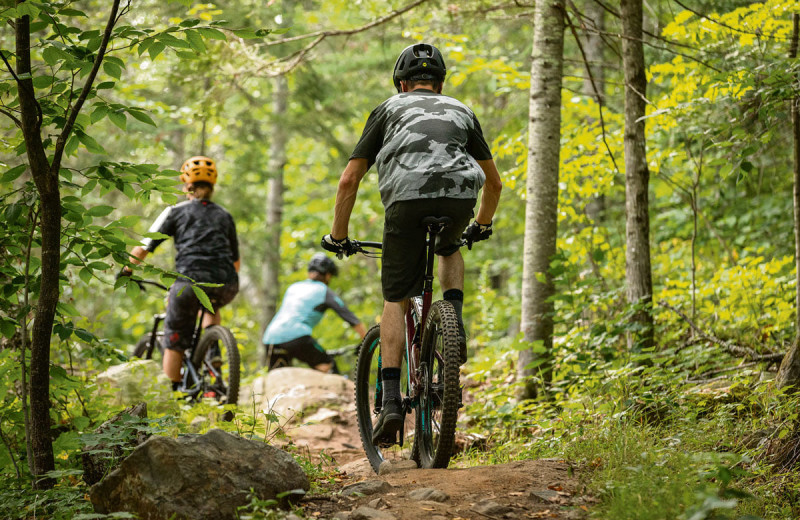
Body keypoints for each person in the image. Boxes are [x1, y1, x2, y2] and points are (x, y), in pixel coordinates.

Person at [321, 43, 502, 445]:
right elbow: (494, 182)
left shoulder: (388, 108)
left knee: (396, 298)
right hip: (458, 198)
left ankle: (388, 403)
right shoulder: (462, 111)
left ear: (402, 84)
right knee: (450, 246)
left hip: (405, 200)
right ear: (439, 84)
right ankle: (453, 321)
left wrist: (338, 236)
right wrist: (481, 225)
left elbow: (350, 179)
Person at [119, 156, 240, 390]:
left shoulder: (174, 211)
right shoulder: (225, 215)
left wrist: (126, 269)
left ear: (187, 187)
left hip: (189, 282)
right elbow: (235, 261)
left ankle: (172, 398)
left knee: (174, 338)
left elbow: (146, 246)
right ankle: (212, 346)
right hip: (227, 283)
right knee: (210, 302)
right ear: (212, 188)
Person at [262, 253, 367, 373]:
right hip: (298, 337)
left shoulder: (294, 287)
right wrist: (367, 342)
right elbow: (352, 320)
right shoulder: (324, 291)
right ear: (328, 275)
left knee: (279, 376)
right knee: (327, 365)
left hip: (270, 339)